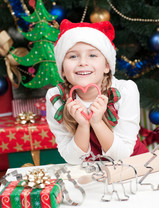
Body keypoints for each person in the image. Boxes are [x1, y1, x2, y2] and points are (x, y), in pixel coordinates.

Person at [46, 19, 148, 165]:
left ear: (107, 66)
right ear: (62, 68)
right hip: (91, 173)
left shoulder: (125, 91)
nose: (82, 62)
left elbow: (123, 155)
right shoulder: (56, 98)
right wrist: (83, 125)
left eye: (92, 55)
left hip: (133, 168)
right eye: (73, 56)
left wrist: (97, 122)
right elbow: (72, 159)